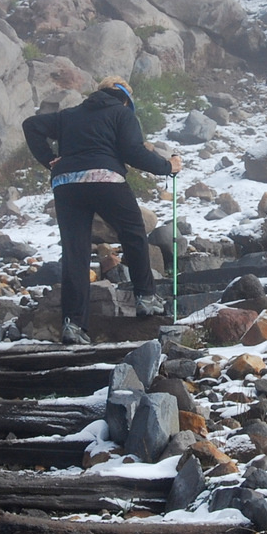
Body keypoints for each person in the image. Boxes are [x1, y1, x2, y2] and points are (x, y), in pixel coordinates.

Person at [22, 77, 182, 345]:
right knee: (132, 231)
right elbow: (132, 152)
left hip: (66, 184)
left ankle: (73, 325)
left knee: (75, 252)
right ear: (124, 97)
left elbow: (31, 125)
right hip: (105, 179)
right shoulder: (122, 113)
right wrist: (168, 166)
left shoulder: (68, 115)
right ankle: (145, 299)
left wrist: (49, 160)